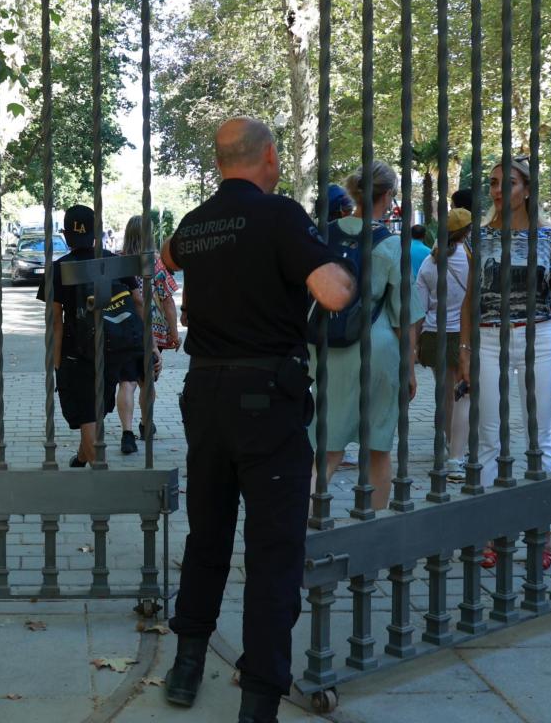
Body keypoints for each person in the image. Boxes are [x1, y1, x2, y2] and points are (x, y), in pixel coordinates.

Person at [158, 117, 355, 723]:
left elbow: (162, 260)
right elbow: (334, 295)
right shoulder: (280, 215)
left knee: (207, 534)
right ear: (267, 157)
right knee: (273, 553)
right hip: (266, 401)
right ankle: (258, 701)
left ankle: (187, 662)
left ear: (220, 163)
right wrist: (342, 266)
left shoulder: (196, 221)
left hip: (206, 396)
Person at [457, 156, 551, 569]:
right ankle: (490, 534)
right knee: (488, 440)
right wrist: (464, 352)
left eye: (508, 183)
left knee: (540, 439)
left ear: (527, 189)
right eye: (493, 183)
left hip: (538, 336)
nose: (499, 190)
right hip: (487, 339)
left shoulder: (550, 239)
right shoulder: (478, 239)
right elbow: (469, 300)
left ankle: (544, 536)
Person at [310, 161, 422, 512]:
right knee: (378, 451)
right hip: (376, 350)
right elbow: (407, 315)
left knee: (326, 451)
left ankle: (302, 533)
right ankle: (371, 535)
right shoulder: (389, 245)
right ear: (387, 195)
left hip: (326, 347)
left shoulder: (323, 235)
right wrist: (410, 366)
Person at [39, 204, 142, 467]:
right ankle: (83, 455)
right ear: (97, 232)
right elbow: (138, 300)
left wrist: (57, 362)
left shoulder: (58, 269)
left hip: (77, 352)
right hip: (112, 348)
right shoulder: (113, 261)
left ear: (66, 235)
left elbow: (55, 322)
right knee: (94, 408)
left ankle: (99, 475)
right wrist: (147, 345)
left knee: (86, 412)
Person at [114, 213, 181, 455]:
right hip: (152, 331)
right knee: (147, 382)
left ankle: (126, 433)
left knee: (127, 382)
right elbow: (168, 302)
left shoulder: (118, 262)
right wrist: (174, 333)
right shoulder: (156, 262)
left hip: (123, 328)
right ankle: (145, 425)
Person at [416, 207, 473, 482]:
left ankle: (448, 439)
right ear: (467, 232)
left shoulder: (429, 262)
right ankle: (456, 447)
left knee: (444, 392)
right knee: (461, 392)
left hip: (432, 334)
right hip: (461, 335)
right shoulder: (471, 259)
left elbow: (420, 305)